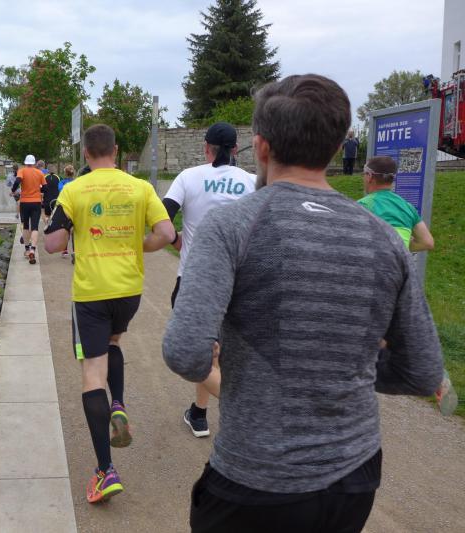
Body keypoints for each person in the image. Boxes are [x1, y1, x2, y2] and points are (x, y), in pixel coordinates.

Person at [162, 74, 443, 533]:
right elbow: (424, 372)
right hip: (353, 477)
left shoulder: (232, 225)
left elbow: (185, 351)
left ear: (261, 147)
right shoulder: (383, 236)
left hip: (256, 475)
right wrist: (340, 364)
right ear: (335, 149)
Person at [44, 124, 176, 504]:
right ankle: (118, 403)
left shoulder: (74, 190)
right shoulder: (140, 188)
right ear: (115, 152)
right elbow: (167, 233)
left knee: (91, 371)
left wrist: (66, 229)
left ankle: (106, 471)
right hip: (129, 291)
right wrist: (139, 245)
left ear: (86, 153)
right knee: (114, 342)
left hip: (91, 293)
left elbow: (52, 244)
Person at [162, 122, 256, 439]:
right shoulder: (253, 181)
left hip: (196, 281)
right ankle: (199, 414)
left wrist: (178, 240)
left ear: (206, 148)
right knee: (219, 353)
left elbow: (163, 219)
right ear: (235, 149)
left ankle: (252, 413)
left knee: (196, 354)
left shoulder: (188, 177)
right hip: (242, 283)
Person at [358, 156, 434, 251]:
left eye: (364, 174)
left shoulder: (362, 205)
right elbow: (427, 242)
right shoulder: (407, 207)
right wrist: (400, 247)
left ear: (369, 176)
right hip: (400, 260)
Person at [11, 155, 47, 264]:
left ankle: (27, 249)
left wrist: (13, 190)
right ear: (34, 163)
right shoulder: (39, 173)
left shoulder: (22, 171)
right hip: (36, 202)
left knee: (26, 226)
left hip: (24, 202)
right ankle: (33, 249)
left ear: (25, 162)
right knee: (35, 227)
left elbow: (17, 181)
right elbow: (45, 188)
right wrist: (39, 191)